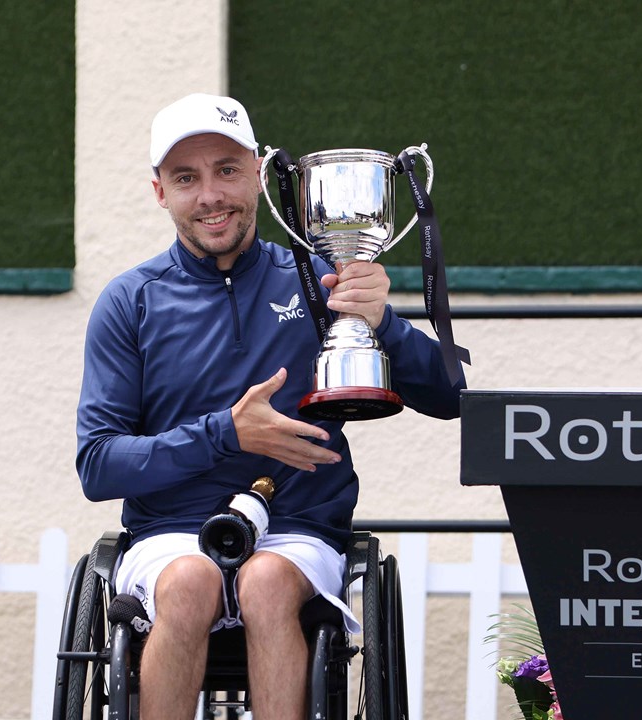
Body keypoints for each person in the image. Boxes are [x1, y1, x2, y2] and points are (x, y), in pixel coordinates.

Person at [75, 92, 463, 720]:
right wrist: (226, 433)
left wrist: (381, 322)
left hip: (297, 527)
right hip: (169, 534)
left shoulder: (319, 278)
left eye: (227, 170)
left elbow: (452, 399)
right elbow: (98, 465)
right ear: (159, 193)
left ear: (257, 171)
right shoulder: (130, 301)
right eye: (186, 178)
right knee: (190, 582)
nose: (210, 196)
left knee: (265, 583)